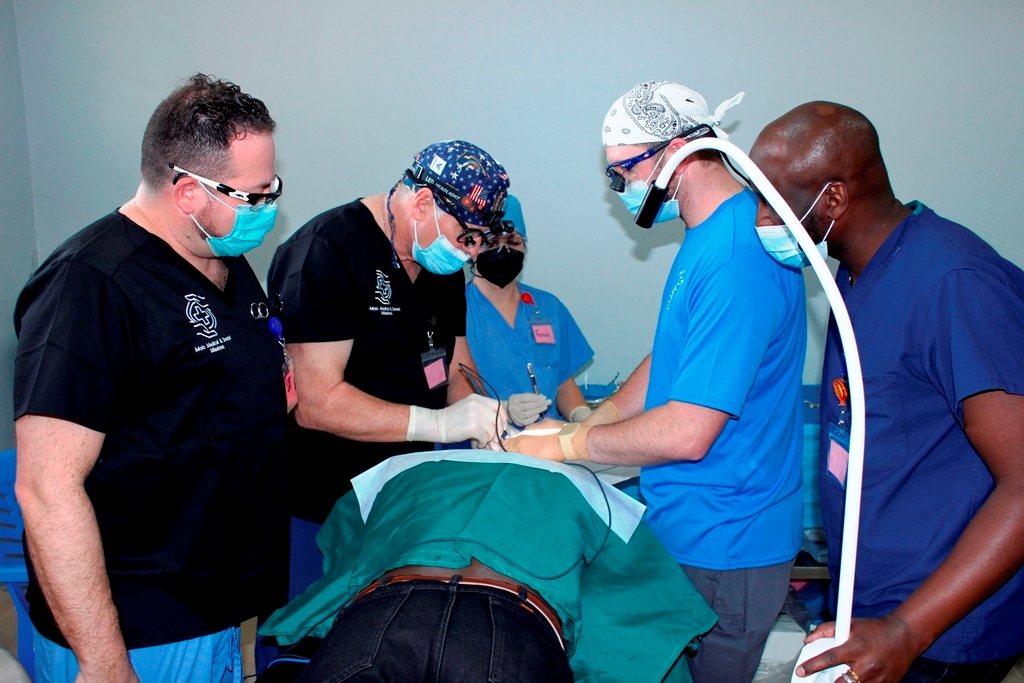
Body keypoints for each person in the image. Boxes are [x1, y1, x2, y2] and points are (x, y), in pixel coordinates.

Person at [507, 80, 808, 683]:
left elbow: (687, 433)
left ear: (675, 154)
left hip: (727, 543)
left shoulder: (736, 257)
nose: (621, 189)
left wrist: (570, 445)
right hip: (690, 524)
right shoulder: (708, 234)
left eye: (623, 173)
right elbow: (676, 349)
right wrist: (605, 414)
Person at [13, 74, 288, 683]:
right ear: (188, 192)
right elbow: (47, 489)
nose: (268, 208)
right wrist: (104, 661)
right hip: (138, 626)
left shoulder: (221, 256)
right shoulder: (89, 286)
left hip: (214, 601)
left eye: (273, 189)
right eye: (254, 196)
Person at [749, 102, 1024, 683]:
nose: (759, 222)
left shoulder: (956, 283)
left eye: (772, 204)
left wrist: (905, 629)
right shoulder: (854, 275)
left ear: (833, 199)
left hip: (939, 629)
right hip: (873, 603)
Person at [266, 140, 509, 598]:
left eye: (481, 238)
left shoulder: (439, 264)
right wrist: (438, 423)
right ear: (422, 203)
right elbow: (315, 402)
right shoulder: (327, 251)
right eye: (467, 236)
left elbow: (456, 365)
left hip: (400, 498)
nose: (472, 252)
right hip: (318, 505)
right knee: (310, 630)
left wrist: (485, 421)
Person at [257, 451, 719, 683]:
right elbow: (646, 605)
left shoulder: (399, 469)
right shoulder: (584, 486)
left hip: (384, 613)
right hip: (510, 625)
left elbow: (341, 560)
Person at [466, 194, 594, 426]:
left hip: (544, 440)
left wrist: (582, 418)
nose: (503, 251)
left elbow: (562, 383)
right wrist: (501, 412)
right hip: (480, 442)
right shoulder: (456, 311)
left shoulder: (548, 307)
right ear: (470, 247)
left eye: (513, 242)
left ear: (525, 246)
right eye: (491, 243)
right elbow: (449, 392)